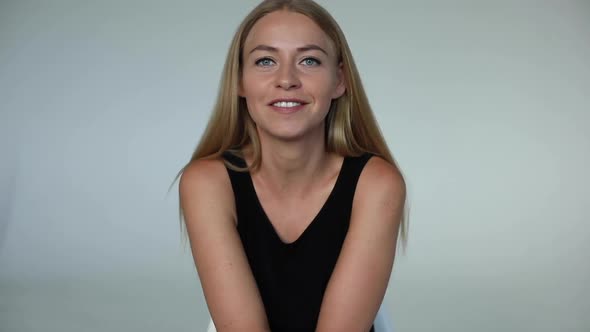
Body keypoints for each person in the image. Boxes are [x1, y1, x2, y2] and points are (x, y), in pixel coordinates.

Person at [177, 0, 408, 331]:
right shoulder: (207, 182)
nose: (286, 79)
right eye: (266, 61)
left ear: (339, 80)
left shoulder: (377, 184)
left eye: (309, 60)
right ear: (240, 80)